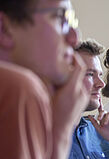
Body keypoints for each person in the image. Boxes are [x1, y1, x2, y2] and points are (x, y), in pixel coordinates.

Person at [0, 0, 88, 158]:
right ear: (4, 29)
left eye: (71, 20)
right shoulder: (20, 88)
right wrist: (61, 131)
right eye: (60, 18)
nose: (75, 38)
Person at [69, 39, 109, 159]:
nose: (101, 84)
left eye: (100, 75)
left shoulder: (102, 132)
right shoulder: (42, 134)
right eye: (90, 74)